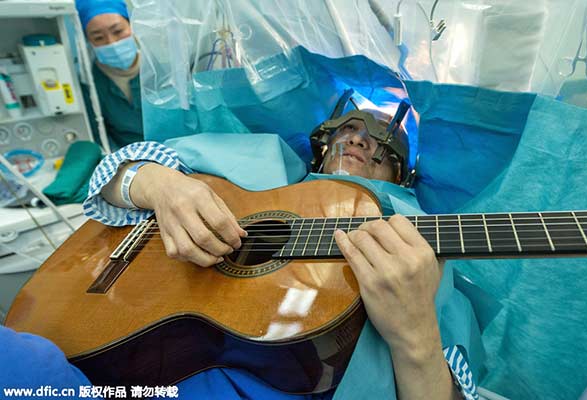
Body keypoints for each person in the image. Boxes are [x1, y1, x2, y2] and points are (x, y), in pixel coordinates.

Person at [81, 107, 480, 400]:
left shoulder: (423, 255)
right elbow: (110, 173)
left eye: (382, 141)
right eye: (349, 128)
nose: (359, 139)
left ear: (401, 178)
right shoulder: (260, 167)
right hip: (122, 358)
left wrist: (417, 337)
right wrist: (160, 186)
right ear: (320, 149)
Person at [76, 0, 144, 149]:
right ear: (88, 41)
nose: (112, 42)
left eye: (118, 31)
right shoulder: (90, 85)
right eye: (98, 38)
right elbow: (99, 138)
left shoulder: (158, 69)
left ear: (131, 25)